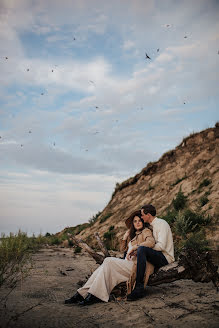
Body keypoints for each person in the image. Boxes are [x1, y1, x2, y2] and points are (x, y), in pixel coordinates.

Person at [64, 210, 155, 306]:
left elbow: (151, 242)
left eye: (139, 221)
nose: (137, 223)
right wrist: (125, 237)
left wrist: (137, 247)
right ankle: (82, 294)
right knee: (101, 269)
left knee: (108, 261)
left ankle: (94, 295)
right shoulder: (133, 235)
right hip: (127, 265)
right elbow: (123, 250)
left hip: (136, 268)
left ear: (143, 222)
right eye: (135, 221)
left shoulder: (146, 231)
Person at [127, 204, 175, 301]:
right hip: (158, 255)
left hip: (166, 258)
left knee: (142, 249)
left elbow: (161, 246)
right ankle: (136, 284)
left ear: (148, 215)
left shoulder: (161, 224)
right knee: (141, 250)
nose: (141, 217)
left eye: (142, 214)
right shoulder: (152, 226)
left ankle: (139, 287)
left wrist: (140, 247)